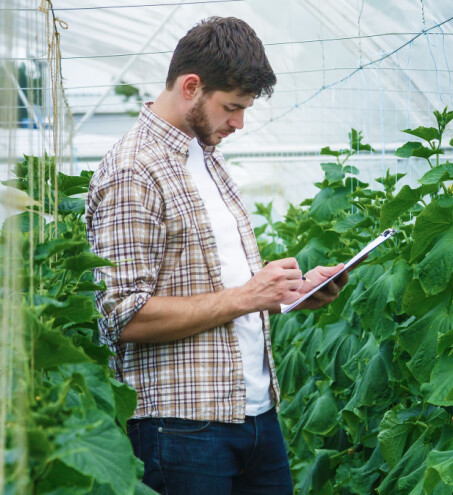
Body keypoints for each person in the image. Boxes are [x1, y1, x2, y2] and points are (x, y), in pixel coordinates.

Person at [85, 16, 348, 494]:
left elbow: (218, 289)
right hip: (182, 427)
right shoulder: (133, 170)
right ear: (191, 87)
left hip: (254, 414)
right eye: (232, 107)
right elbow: (123, 315)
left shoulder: (206, 159)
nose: (239, 123)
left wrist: (286, 294)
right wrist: (249, 295)